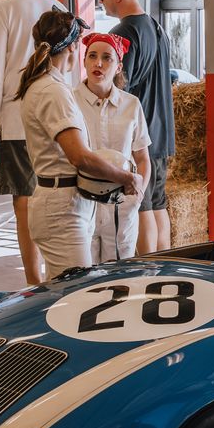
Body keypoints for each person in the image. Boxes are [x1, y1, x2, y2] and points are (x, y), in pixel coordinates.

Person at [15, 9, 142, 277]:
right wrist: (125, 177)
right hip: (62, 209)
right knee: (75, 296)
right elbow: (80, 157)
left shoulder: (47, 85)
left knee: (66, 292)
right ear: (74, 48)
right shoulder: (54, 91)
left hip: (68, 203)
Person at [0, 0, 65, 286]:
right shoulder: (60, 8)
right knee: (57, 196)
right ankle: (60, 273)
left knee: (25, 203)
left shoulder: (3, 9)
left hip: (16, 123)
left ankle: (33, 282)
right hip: (59, 122)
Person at [93, 0, 175, 254]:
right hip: (161, 131)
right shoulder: (156, 27)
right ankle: (164, 266)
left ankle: (148, 271)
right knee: (158, 204)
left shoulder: (123, 32)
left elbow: (116, 88)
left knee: (142, 207)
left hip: (140, 135)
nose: (99, 0)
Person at [76, 30, 152, 262]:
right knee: (83, 275)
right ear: (84, 60)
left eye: (107, 58)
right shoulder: (70, 101)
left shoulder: (131, 104)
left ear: (118, 66)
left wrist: (137, 196)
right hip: (82, 204)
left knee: (119, 276)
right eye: (92, 56)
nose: (98, 63)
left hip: (121, 205)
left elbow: (142, 157)